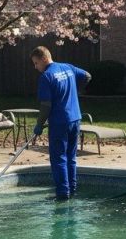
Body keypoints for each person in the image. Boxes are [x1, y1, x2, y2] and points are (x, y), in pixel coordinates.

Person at [31, 46, 92, 200]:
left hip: (59, 122)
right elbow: (87, 76)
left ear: (44, 59)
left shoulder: (47, 76)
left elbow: (46, 105)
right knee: (71, 156)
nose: (36, 67)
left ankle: (63, 194)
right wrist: (75, 91)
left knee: (58, 158)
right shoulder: (68, 68)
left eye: (36, 63)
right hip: (75, 118)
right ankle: (72, 189)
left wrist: (39, 124)